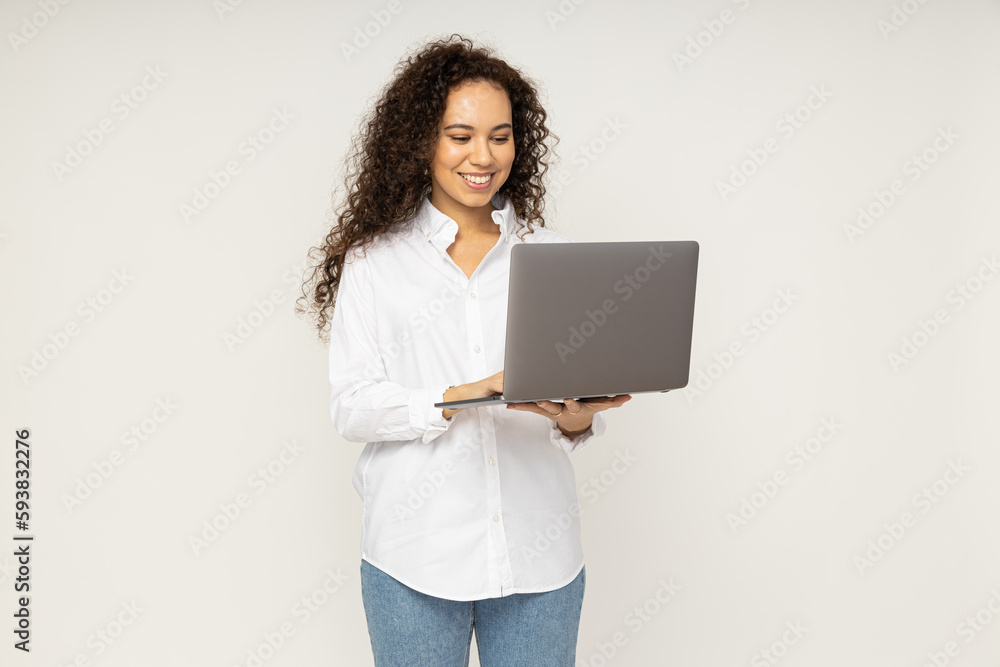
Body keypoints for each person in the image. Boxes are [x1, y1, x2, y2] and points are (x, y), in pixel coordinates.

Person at [298, 34, 631, 666]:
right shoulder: (374, 264)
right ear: (421, 141)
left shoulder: (552, 255)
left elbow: (576, 411)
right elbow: (352, 406)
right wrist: (465, 395)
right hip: (413, 559)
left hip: (539, 559)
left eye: (500, 136)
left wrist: (577, 416)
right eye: (461, 136)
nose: (483, 156)